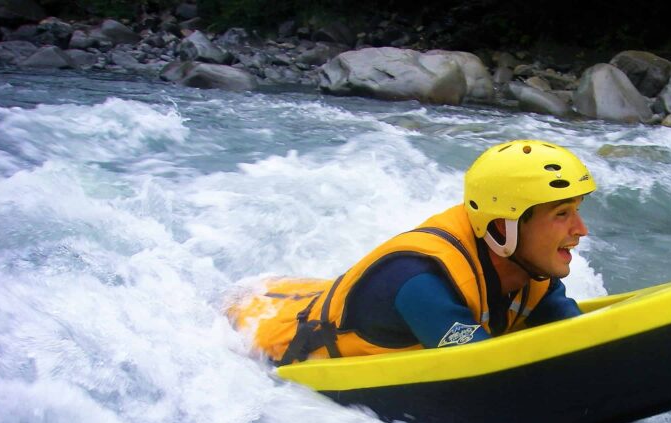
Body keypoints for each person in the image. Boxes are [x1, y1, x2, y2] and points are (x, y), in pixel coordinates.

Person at [227, 139, 595, 365]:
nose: (580, 230)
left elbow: (580, 339)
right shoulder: (421, 284)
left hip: (298, 291)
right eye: (562, 215)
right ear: (504, 227)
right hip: (257, 328)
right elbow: (485, 369)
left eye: (577, 211)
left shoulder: (530, 272)